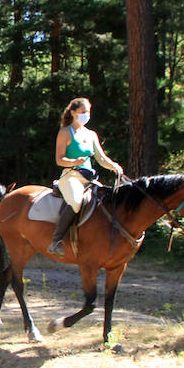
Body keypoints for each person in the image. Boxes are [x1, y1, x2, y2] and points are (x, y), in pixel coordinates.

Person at [49, 97, 124, 255]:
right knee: (76, 202)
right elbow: (59, 160)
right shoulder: (65, 132)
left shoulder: (91, 134)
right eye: (83, 112)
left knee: (107, 203)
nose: (86, 115)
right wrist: (75, 161)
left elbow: (101, 158)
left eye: (88, 112)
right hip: (71, 176)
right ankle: (56, 241)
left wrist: (114, 167)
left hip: (90, 179)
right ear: (73, 112)